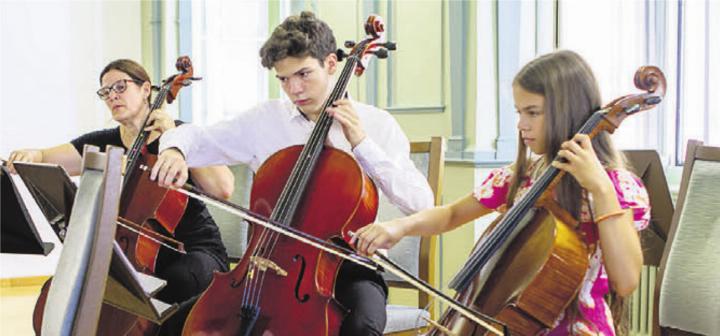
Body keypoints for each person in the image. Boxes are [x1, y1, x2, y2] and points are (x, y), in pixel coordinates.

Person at [152, 11, 434, 335]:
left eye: (303, 74)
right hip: (262, 265)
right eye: (284, 79)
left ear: (331, 64)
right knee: (171, 327)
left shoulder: (377, 124)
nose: (294, 89)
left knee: (363, 325)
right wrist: (174, 149)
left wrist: (362, 144)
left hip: (347, 268)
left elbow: (421, 203)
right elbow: (198, 137)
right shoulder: (265, 120)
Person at [353, 50, 649, 335]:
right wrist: (397, 227)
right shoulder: (524, 176)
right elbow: (452, 214)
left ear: (567, 112)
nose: (521, 125)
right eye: (519, 112)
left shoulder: (616, 187)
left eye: (533, 113)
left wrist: (599, 188)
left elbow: (625, 282)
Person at [7, 59, 233, 335]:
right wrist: (31, 155)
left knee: (178, 280)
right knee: (73, 288)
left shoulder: (182, 134)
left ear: (146, 89)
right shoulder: (104, 141)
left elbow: (223, 188)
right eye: (105, 92)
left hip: (193, 249)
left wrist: (174, 135)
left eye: (120, 87)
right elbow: (44, 158)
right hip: (131, 253)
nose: (112, 95)